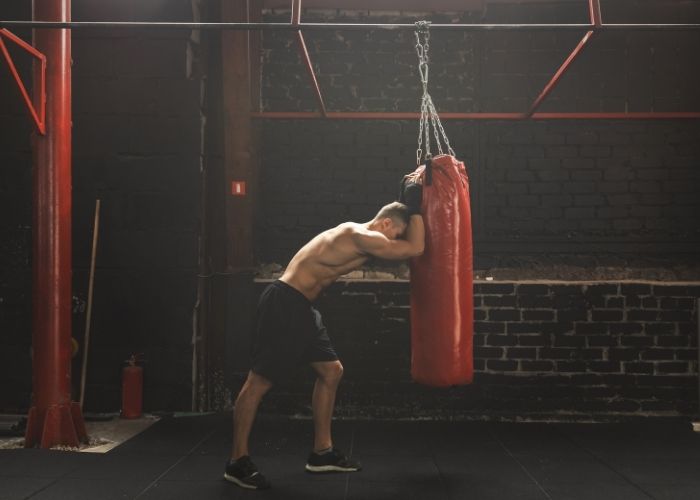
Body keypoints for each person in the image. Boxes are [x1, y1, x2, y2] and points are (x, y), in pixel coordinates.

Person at [224, 187, 424, 490]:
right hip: (285, 303)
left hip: (302, 307)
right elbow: (416, 249)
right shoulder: (362, 236)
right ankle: (237, 462)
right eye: (396, 233)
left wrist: (410, 203)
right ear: (385, 223)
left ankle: (322, 453)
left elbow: (408, 246)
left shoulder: (356, 235)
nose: (393, 241)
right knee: (259, 382)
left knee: (332, 371)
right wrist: (417, 206)